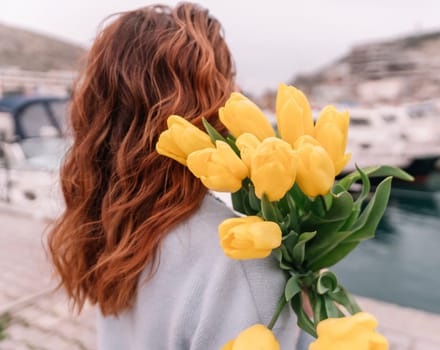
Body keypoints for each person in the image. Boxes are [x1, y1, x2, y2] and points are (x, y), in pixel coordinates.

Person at [47, 3, 299, 349]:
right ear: (208, 108)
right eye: (227, 83)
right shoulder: (237, 260)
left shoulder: (113, 224)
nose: (237, 94)